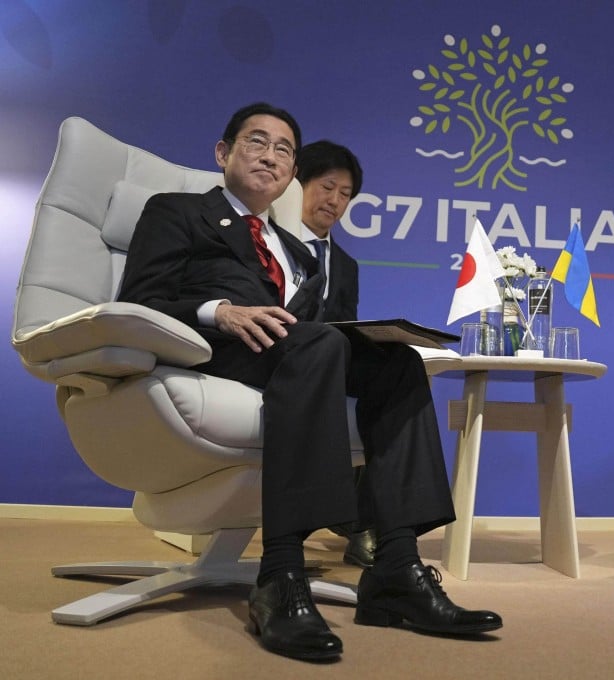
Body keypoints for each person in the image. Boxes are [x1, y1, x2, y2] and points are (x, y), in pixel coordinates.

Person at [118, 103, 502, 661]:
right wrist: (219, 311)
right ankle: (280, 575)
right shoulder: (177, 211)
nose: (271, 157)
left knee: (399, 363)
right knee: (320, 343)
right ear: (223, 153)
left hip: (297, 353)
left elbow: (315, 325)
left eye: (284, 150)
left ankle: (396, 566)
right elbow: (137, 300)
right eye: (257, 142)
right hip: (215, 351)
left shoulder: (296, 247)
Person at [295, 139, 375, 569]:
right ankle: (352, 519)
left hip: (330, 365)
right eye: (327, 187)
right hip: (276, 361)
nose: (335, 201)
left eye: (345, 195)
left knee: (392, 378)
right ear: (298, 183)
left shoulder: (347, 265)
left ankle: (370, 523)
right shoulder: (266, 239)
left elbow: (345, 326)